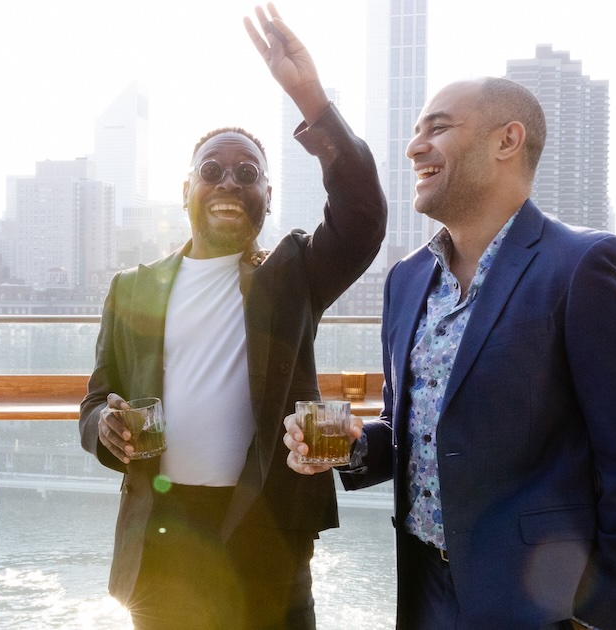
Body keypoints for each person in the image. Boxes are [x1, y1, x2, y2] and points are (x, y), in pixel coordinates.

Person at [284, 76, 616, 629]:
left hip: (541, 607)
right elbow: (412, 433)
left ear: (507, 141)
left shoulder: (585, 267)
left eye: (438, 128)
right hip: (424, 594)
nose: (413, 146)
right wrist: (350, 449)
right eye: (416, 132)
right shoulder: (405, 280)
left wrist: (603, 617)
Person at [78, 5, 387, 629]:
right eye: (211, 171)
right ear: (185, 189)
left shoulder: (292, 274)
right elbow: (95, 401)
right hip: (162, 541)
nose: (228, 182)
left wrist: (311, 100)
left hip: (268, 533)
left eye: (248, 174)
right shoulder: (130, 289)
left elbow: (361, 216)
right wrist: (103, 433)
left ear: (268, 198)